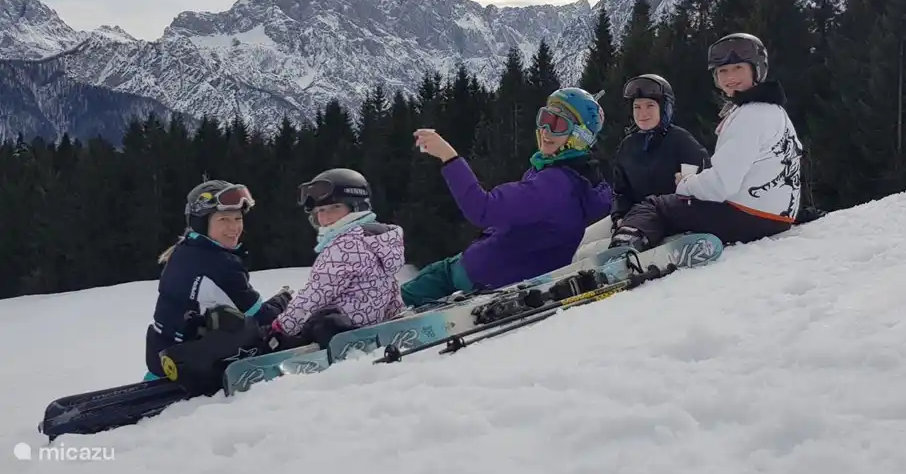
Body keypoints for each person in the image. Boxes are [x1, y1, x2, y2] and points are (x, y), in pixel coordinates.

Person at [402, 87, 613, 307]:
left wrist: (448, 156)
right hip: (499, 266)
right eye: (544, 117)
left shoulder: (553, 185)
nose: (545, 130)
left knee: (410, 292)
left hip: (484, 276)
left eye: (558, 124)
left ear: (579, 137)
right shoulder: (588, 179)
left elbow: (481, 208)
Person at [609, 33, 803, 251]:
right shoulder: (772, 110)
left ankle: (622, 253)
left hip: (748, 215)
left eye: (738, 68)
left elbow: (721, 185)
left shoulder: (749, 116)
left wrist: (687, 183)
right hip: (775, 215)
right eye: (722, 71)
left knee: (655, 206)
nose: (730, 77)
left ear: (757, 68)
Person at [144, 180, 291, 383]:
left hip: (161, 359)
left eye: (238, 218)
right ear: (202, 223)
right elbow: (261, 316)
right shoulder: (221, 264)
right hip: (190, 367)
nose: (234, 227)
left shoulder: (184, 250)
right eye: (223, 219)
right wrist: (285, 300)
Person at [263, 168, 406, 349]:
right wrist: (395, 317)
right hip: (368, 326)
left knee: (309, 326)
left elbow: (315, 294)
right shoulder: (375, 239)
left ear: (356, 206)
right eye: (320, 210)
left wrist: (282, 326)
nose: (325, 217)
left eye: (335, 207)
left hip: (339, 331)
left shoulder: (345, 245)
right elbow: (389, 285)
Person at [574, 74, 711, 260]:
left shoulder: (680, 140)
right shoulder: (629, 145)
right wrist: (619, 215)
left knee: (587, 254)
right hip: (632, 215)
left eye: (650, 106)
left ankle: (608, 263)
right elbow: (621, 191)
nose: (642, 113)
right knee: (580, 241)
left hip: (665, 218)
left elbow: (703, 182)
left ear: (665, 109)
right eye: (636, 107)